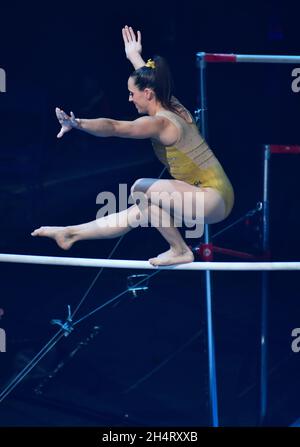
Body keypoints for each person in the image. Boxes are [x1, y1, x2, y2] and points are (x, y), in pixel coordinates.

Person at [31, 26, 234, 266]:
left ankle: (180, 250)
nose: (129, 98)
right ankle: (71, 234)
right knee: (138, 211)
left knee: (141, 189)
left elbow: (115, 127)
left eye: (131, 93)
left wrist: (78, 123)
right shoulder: (172, 104)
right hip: (207, 194)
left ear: (147, 94)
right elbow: (149, 77)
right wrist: (133, 55)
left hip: (212, 198)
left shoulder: (160, 123)